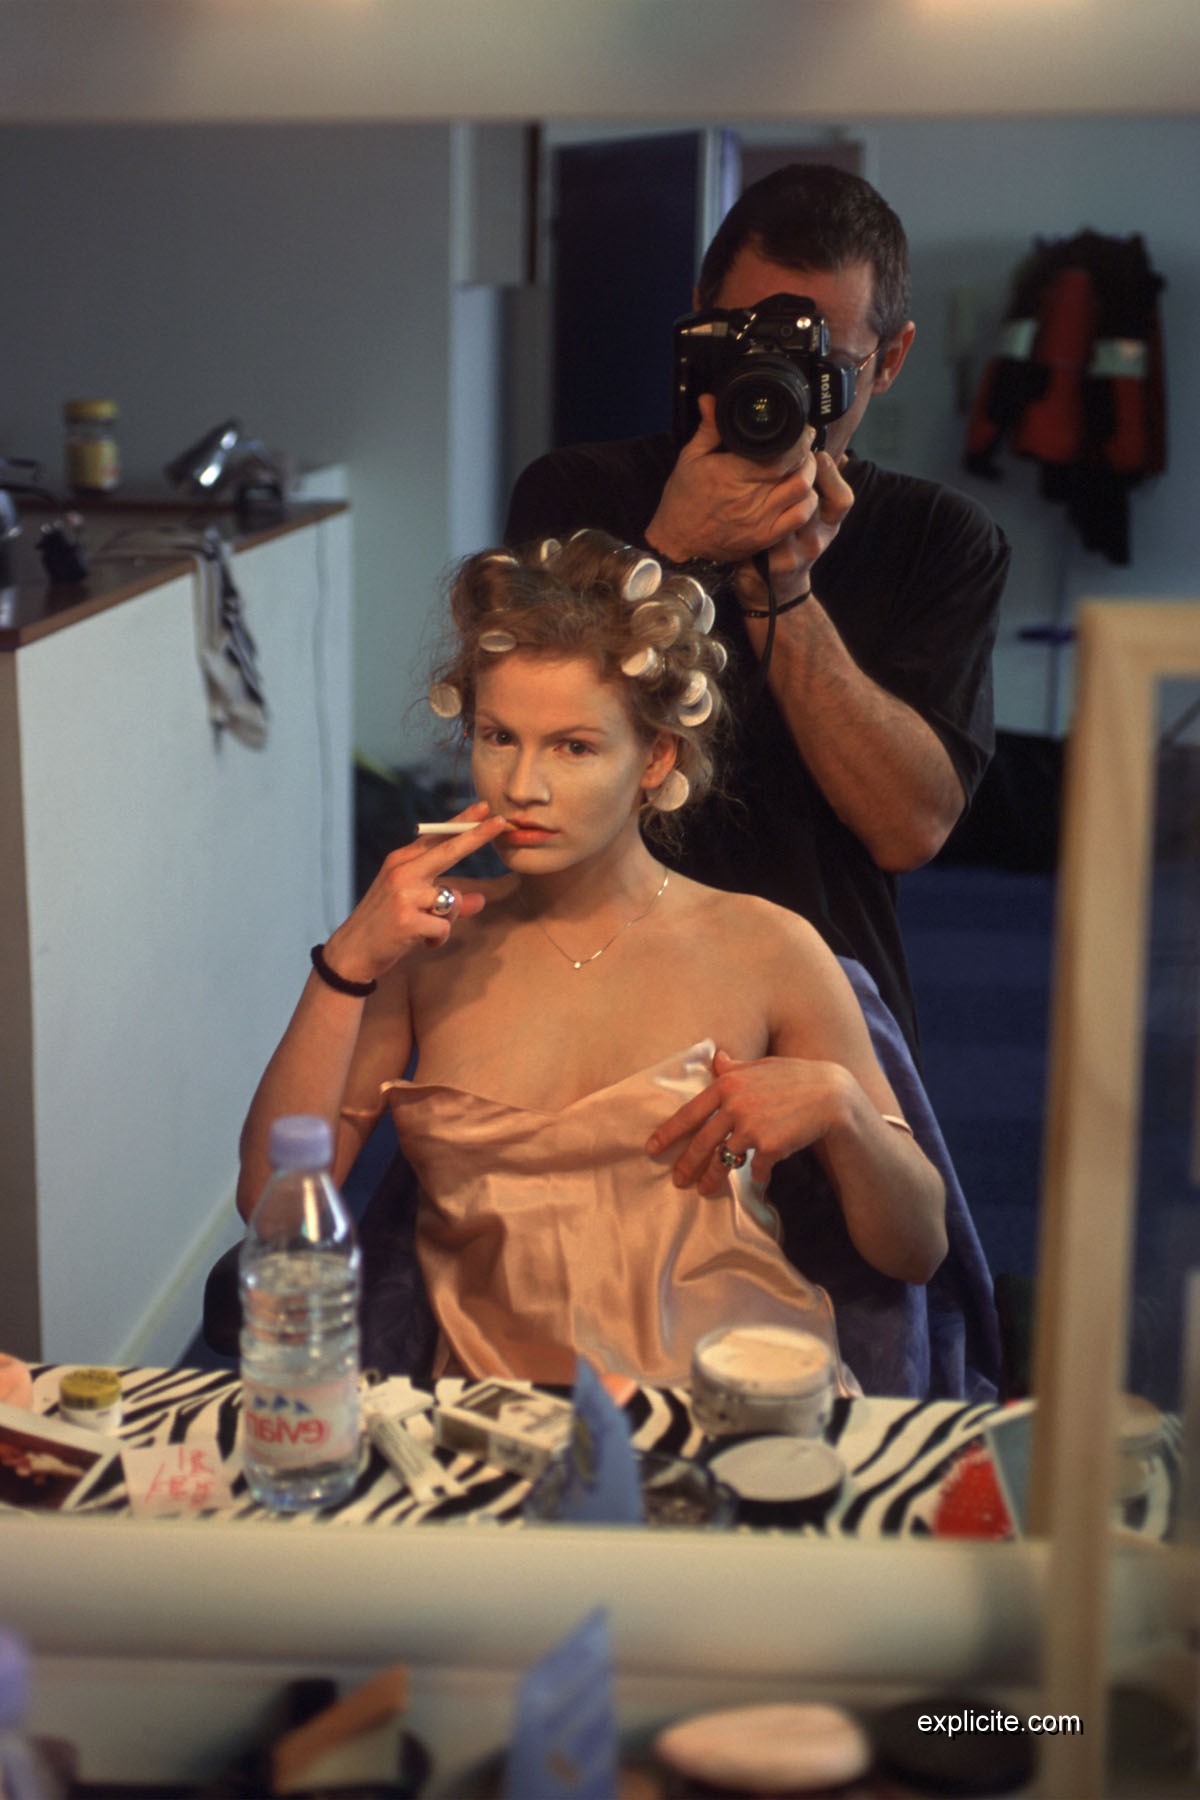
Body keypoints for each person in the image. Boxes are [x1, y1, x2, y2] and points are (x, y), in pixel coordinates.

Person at [238, 533, 946, 1389]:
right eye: (499, 737)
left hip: (737, 1412)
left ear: (656, 758)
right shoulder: (425, 949)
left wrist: (844, 1109)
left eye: (574, 747)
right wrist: (347, 960)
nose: (522, 786)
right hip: (496, 1428)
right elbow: (270, 1205)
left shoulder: (768, 947)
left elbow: (918, 1249)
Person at [506, 164, 1010, 1054]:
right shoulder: (575, 496)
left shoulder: (940, 538)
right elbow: (529, 753)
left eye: (821, 363)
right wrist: (667, 551)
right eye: (745, 343)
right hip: (590, 982)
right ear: (697, 320)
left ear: (889, 361)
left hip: (820, 1009)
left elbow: (908, 827)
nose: (774, 384)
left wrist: (784, 590)